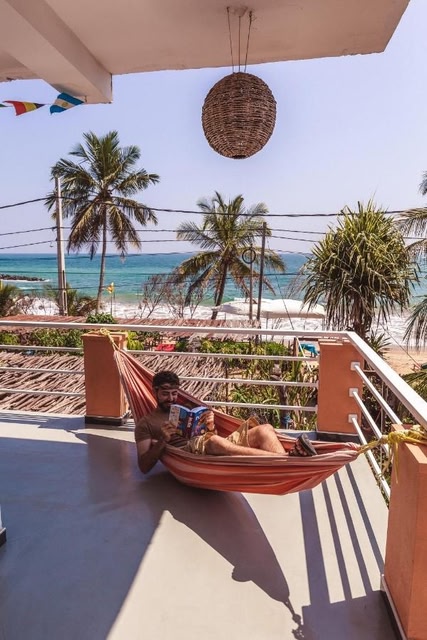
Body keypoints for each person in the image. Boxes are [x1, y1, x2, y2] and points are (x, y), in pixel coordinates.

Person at [135, 370, 317, 474]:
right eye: (165, 394)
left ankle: (287, 464)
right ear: (154, 391)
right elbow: (144, 466)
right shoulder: (146, 423)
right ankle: (287, 459)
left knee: (265, 429)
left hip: (212, 446)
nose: (171, 398)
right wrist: (163, 440)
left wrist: (210, 426)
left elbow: (211, 437)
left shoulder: (188, 408)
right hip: (188, 455)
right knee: (213, 441)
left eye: (174, 393)